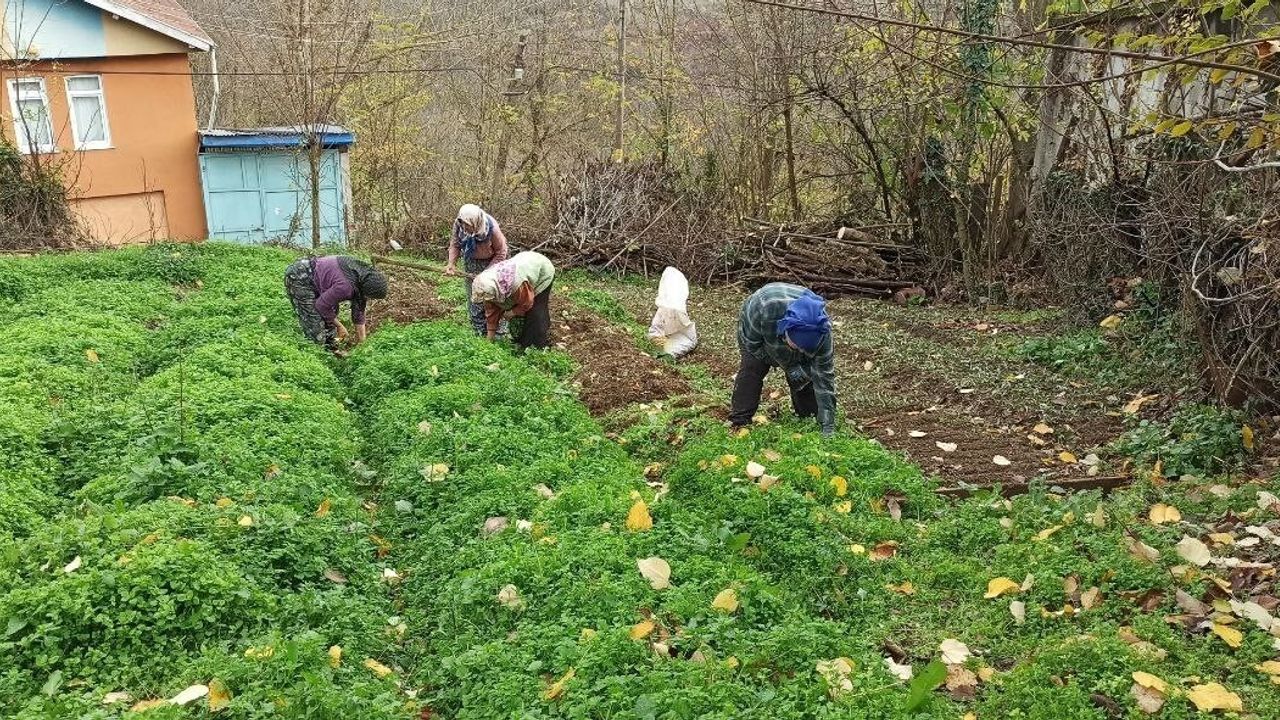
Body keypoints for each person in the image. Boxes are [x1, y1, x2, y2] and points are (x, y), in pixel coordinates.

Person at [729, 283, 838, 437]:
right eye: (796, 345)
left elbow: (824, 378)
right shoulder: (763, 308)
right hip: (758, 323)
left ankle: (807, 418)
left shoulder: (822, 333)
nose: (799, 351)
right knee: (752, 368)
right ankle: (739, 421)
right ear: (786, 328)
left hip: (792, 330)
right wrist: (788, 365)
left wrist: (828, 425)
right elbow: (753, 346)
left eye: (803, 349)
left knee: (804, 378)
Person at [284, 255, 388, 354]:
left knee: (330, 325)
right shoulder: (345, 287)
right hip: (300, 277)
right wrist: (340, 326)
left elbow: (359, 314)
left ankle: (332, 351)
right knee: (315, 327)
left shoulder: (362, 278)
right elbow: (321, 305)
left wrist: (362, 345)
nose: (370, 299)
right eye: (371, 297)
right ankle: (317, 358)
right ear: (367, 290)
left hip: (320, 281)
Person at [445, 203, 510, 336]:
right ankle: (479, 332)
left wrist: (487, 274)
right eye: (463, 224)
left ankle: (498, 333)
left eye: (468, 225)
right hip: (471, 260)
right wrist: (451, 264)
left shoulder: (491, 228)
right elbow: (455, 244)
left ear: (476, 221)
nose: (465, 227)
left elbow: (501, 252)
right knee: (475, 297)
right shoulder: (458, 224)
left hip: (493, 262)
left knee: (493, 297)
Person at [470, 251, 555, 350]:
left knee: (535, 312)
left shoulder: (516, 286)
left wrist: (511, 312)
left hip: (541, 269)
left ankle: (536, 346)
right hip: (523, 264)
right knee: (518, 316)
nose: (488, 300)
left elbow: (527, 303)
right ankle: (523, 340)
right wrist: (489, 340)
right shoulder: (490, 289)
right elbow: (492, 314)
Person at [647, 266, 699, 360]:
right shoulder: (664, 308)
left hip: (682, 337)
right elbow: (655, 330)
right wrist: (659, 339)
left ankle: (666, 357)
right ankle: (665, 356)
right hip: (669, 337)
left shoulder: (677, 308)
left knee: (679, 346)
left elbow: (685, 331)